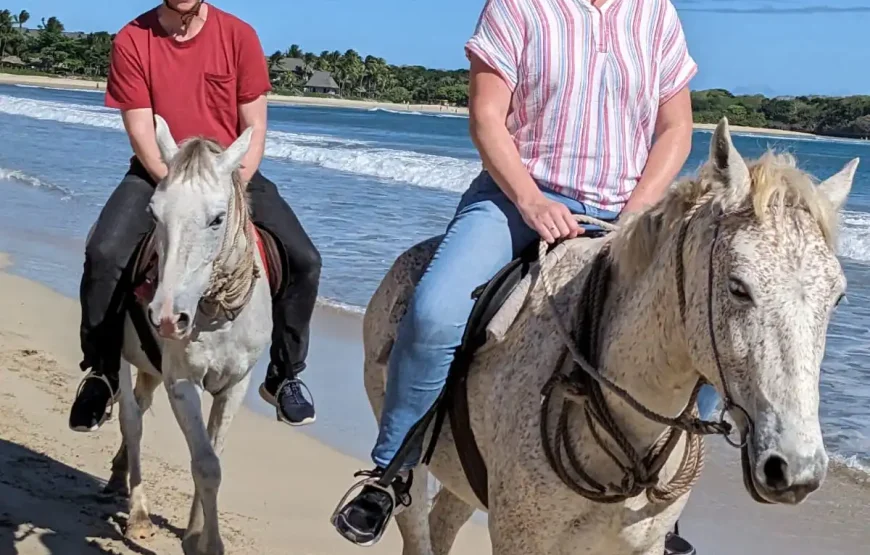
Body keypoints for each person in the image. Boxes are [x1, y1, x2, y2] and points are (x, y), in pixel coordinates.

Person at [332, 0, 714, 553]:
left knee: (706, 325)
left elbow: (676, 127)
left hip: (628, 209)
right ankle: (390, 470)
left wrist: (637, 212)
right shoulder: (515, 8)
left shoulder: (655, 13)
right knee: (435, 310)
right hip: (516, 199)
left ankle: (664, 501)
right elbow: (487, 116)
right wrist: (532, 202)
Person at [68, 0, 321, 432]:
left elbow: (254, 127)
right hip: (159, 172)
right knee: (104, 252)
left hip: (230, 175)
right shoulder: (133, 39)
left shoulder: (239, 36)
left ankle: (284, 375)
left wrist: (230, 184)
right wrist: (177, 186)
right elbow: (141, 130)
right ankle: (102, 372)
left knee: (304, 260)